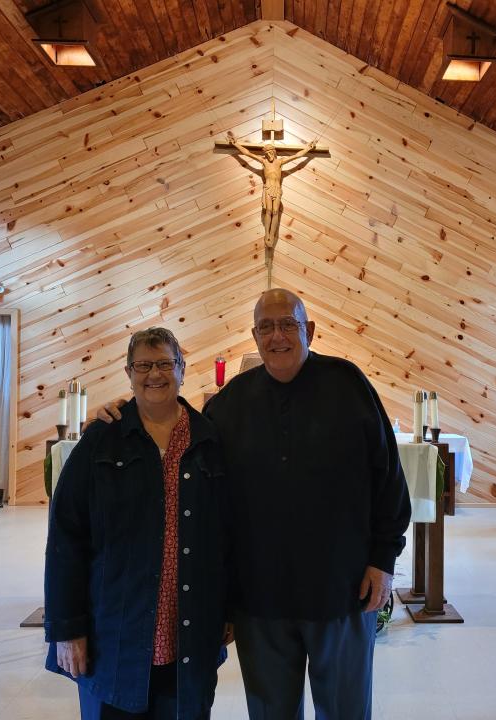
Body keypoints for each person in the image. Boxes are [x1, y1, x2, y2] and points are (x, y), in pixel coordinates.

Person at [100, 289, 410, 719]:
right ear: (254, 334)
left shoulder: (349, 385)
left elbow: (389, 476)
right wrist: (125, 411)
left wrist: (383, 558)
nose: (277, 336)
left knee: (346, 711)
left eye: (288, 324)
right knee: (270, 713)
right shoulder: (232, 403)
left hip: (341, 589)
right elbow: (176, 427)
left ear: (310, 331)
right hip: (260, 599)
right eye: (266, 326)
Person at [45, 327, 230, 720]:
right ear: (128, 373)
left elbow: (228, 537)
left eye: (165, 363)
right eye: (143, 365)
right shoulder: (102, 440)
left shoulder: (209, 441)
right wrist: (66, 628)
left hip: (189, 638)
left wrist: (228, 611)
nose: (154, 375)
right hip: (115, 638)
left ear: (182, 368)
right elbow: (66, 537)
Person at [227, 132, 317, 276]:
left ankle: (272, 235)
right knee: (268, 211)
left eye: (270, 151)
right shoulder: (263, 162)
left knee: (275, 212)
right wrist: (235, 144)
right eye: (266, 152)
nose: (268, 154)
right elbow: (247, 154)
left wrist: (308, 149)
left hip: (277, 189)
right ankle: (267, 234)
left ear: (274, 152)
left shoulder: (280, 162)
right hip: (268, 188)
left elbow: (297, 156)